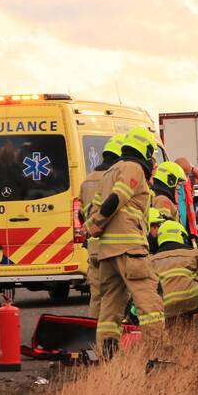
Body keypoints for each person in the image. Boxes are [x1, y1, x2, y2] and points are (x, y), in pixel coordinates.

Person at [82, 127, 166, 356]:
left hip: (107, 252)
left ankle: (106, 355)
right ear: (144, 149)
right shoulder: (134, 168)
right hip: (130, 248)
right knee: (149, 302)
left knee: (110, 308)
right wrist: (94, 224)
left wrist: (91, 226)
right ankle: (156, 355)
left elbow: (95, 207)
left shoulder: (109, 172)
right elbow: (116, 199)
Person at [79, 136, 124, 318]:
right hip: (115, 245)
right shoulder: (114, 178)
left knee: (96, 296)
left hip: (93, 248)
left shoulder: (86, 181)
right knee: (117, 295)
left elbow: (81, 214)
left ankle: (92, 337)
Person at [152, 220, 198, 319]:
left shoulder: (152, 260)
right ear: (182, 237)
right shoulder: (195, 253)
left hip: (165, 304)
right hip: (194, 299)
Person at [175, 157, 198, 238]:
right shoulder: (170, 184)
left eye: (188, 174)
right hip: (176, 227)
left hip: (187, 226)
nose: (187, 176)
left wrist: (191, 168)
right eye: (185, 174)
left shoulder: (189, 182)